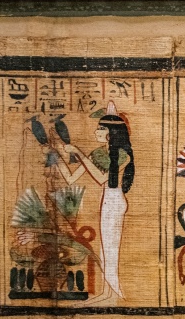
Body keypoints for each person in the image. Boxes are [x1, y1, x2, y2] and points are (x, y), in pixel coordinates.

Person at [55, 101, 135, 304]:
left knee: (110, 248)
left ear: (110, 133)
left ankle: (112, 293)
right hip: (106, 201)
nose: (96, 132)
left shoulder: (123, 155)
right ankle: (107, 293)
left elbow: (102, 178)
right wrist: (56, 157)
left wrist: (78, 153)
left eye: (100, 128)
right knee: (104, 249)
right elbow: (71, 178)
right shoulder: (97, 153)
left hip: (115, 201)